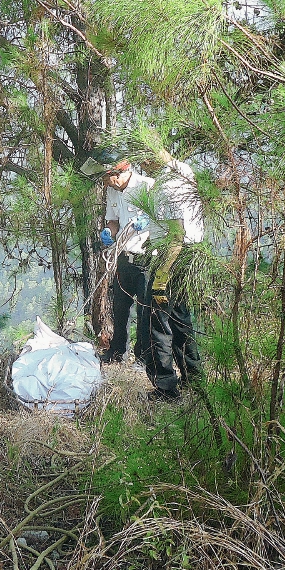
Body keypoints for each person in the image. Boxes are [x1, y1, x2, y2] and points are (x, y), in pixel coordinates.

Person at [138, 149, 205, 400]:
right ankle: (194, 381)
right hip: (187, 256)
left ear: (151, 157)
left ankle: (165, 388)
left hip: (172, 259)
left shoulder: (168, 184)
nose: (142, 167)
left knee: (157, 325)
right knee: (180, 322)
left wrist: (160, 277)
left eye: (143, 160)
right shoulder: (184, 170)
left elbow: (176, 235)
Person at [94, 149, 157, 365]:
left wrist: (148, 223)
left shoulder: (148, 186)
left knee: (144, 311)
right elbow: (113, 221)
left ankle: (143, 356)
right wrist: (108, 234)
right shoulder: (113, 191)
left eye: (107, 178)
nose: (106, 183)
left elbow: (164, 218)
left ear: (118, 173)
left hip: (146, 259)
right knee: (119, 308)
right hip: (123, 257)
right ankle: (117, 352)